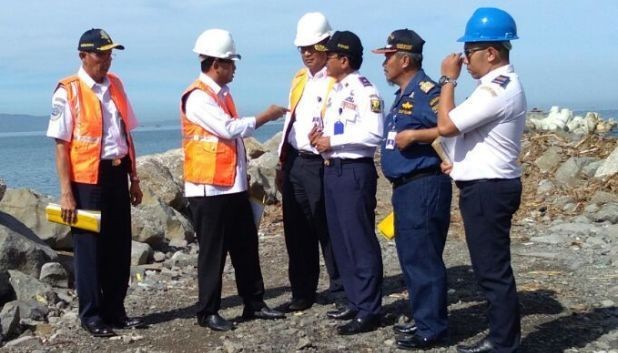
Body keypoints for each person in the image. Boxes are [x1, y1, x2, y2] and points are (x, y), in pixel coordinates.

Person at [181, 29, 287, 332]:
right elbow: (228, 130)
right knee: (213, 253)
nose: (234, 68)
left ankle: (254, 303)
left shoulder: (220, 94)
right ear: (217, 64)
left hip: (231, 185)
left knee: (245, 246)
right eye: (231, 62)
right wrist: (264, 118)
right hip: (208, 189)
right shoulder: (199, 97)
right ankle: (208, 311)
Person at [437, 8, 525, 353]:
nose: (464, 59)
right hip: (484, 184)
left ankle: (504, 343)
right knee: (489, 266)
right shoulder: (492, 86)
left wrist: (448, 80)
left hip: (490, 189)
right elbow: (472, 135)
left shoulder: (499, 88)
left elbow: (446, 125)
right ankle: (502, 338)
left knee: (492, 270)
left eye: (470, 52)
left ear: (491, 53)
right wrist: (457, 163)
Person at [47, 28, 144, 337]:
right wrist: (66, 193)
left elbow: (125, 134)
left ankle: (116, 310)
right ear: (83, 56)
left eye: (109, 54)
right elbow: (61, 146)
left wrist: (134, 179)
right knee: (89, 250)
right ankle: (91, 315)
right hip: (87, 182)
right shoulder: (68, 90)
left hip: (116, 175)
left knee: (119, 246)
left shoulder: (116, 85)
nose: (107, 60)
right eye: (100, 54)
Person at [372, 29, 452, 349]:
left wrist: (416, 137)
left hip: (423, 186)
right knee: (411, 257)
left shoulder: (425, 91)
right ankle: (424, 319)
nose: (385, 64)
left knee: (423, 259)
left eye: (389, 57)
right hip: (406, 188)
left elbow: (449, 128)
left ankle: (432, 328)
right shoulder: (404, 94)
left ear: (405, 60)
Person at [309, 31, 384, 335]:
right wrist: (319, 139)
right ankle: (355, 301)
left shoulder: (364, 90)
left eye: (328, 55)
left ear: (344, 59)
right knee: (340, 240)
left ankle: (370, 309)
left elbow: (373, 133)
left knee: (359, 240)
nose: (324, 60)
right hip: (332, 169)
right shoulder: (336, 89)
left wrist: (333, 140)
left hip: (353, 170)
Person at [276, 12, 342, 312]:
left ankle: (341, 287)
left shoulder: (339, 78)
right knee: (297, 229)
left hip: (322, 162)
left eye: (311, 48)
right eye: (302, 49)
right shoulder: (299, 78)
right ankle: (302, 292)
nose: (306, 54)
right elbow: (292, 119)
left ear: (327, 45)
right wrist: (281, 162)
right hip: (296, 162)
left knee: (328, 226)